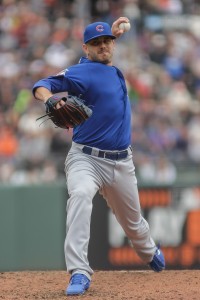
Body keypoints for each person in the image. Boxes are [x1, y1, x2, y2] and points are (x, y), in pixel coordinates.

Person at [32, 17, 165, 296]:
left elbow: (106, 51)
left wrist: (111, 33)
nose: (103, 46)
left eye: (106, 42)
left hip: (121, 162)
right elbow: (42, 84)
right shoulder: (82, 72)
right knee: (79, 195)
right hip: (86, 159)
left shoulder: (110, 67)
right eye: (96, 43)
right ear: (86, 48)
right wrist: (48, 99)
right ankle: (79, 271)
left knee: (134, 224)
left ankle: (148, 250)